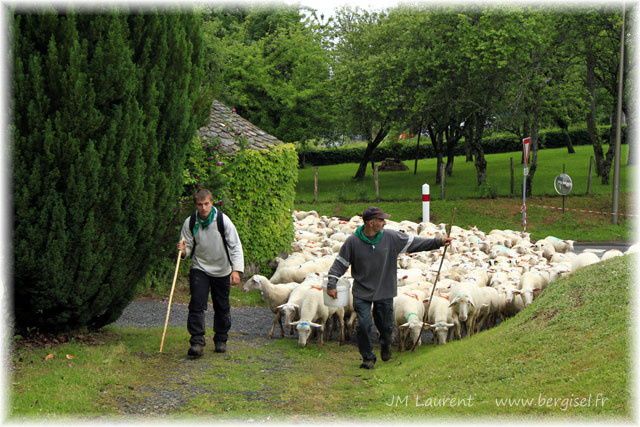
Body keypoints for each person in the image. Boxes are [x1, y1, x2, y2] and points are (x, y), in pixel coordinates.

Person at [326, 207, 452, 369]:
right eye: (380, 220)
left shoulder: (391, 237)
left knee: (386, 326)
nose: (384, 222)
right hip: (362, 291)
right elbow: (340, 264)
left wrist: (439, 242)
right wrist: (331, 283)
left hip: (385, 289)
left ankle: (385, 343)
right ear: (371, 223)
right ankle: (368, 358)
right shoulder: (353, 242)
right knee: (363, 324)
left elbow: (415, 243)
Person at [177, 189, 244, 358]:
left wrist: (236, 270)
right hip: (200, 267)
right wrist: (183, 251)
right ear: (196, 205)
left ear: (212, 203)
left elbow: (235, 246)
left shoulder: (223, 221)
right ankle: (197, 342)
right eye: (200, 204)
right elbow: (188, 246)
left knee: (222, 305)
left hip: (222, 269)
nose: (203, 208)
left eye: (206, 204)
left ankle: (221, 339)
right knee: (197, 303)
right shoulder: (190, 222)